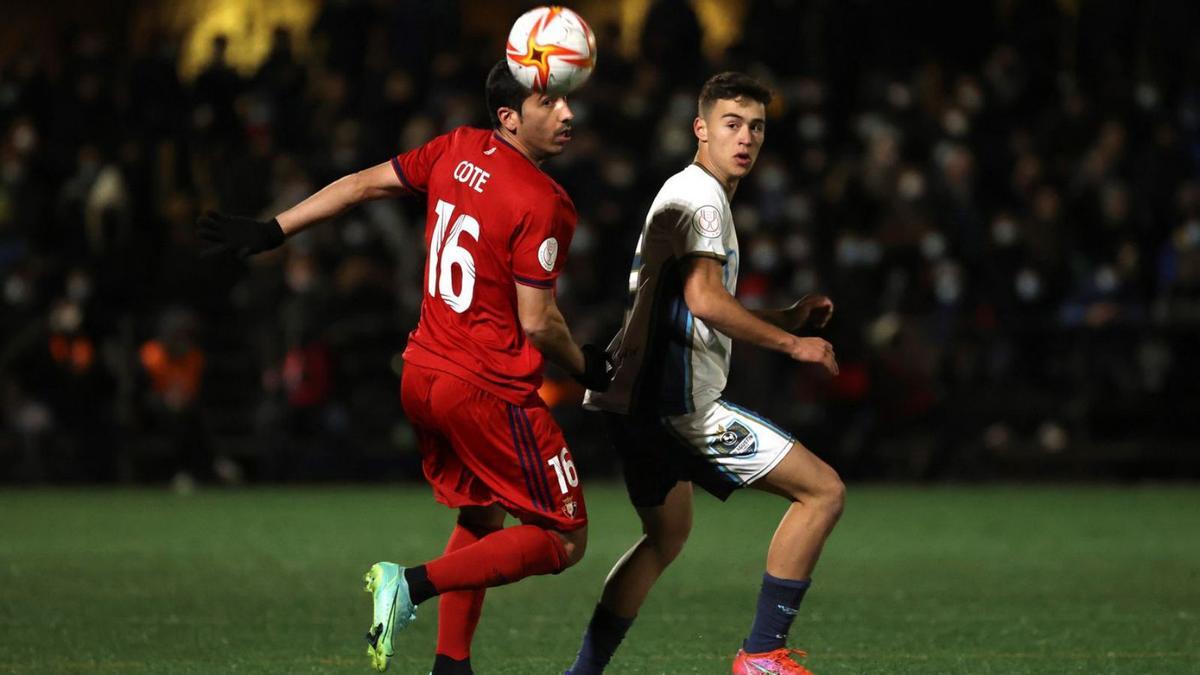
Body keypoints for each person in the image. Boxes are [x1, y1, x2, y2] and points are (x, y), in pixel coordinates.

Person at [197, 60, 610, 675]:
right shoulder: (544, 201)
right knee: (564, 537)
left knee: (481, 515)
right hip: (484, 388)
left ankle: (451, 667)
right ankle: (409, 584)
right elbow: (538, 321)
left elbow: (362, 183)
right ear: (509, 118)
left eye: (566, 102)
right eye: (549, 104)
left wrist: (274, 228)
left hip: (422, 372)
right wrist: (587, 367)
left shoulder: (456, 147)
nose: (568, 114)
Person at [566, 72, 844, 675]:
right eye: (731, 124)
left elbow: (694, 303)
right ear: (701, 129)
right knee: (822, 492)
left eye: (756, 128)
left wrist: (783, 317)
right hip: (676, 406)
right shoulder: (703, 199)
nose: (745, 138)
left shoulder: (690, 192)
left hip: (632, 402)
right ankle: (763, 654)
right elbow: (705, 300)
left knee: (664, 539)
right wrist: (791, 345)